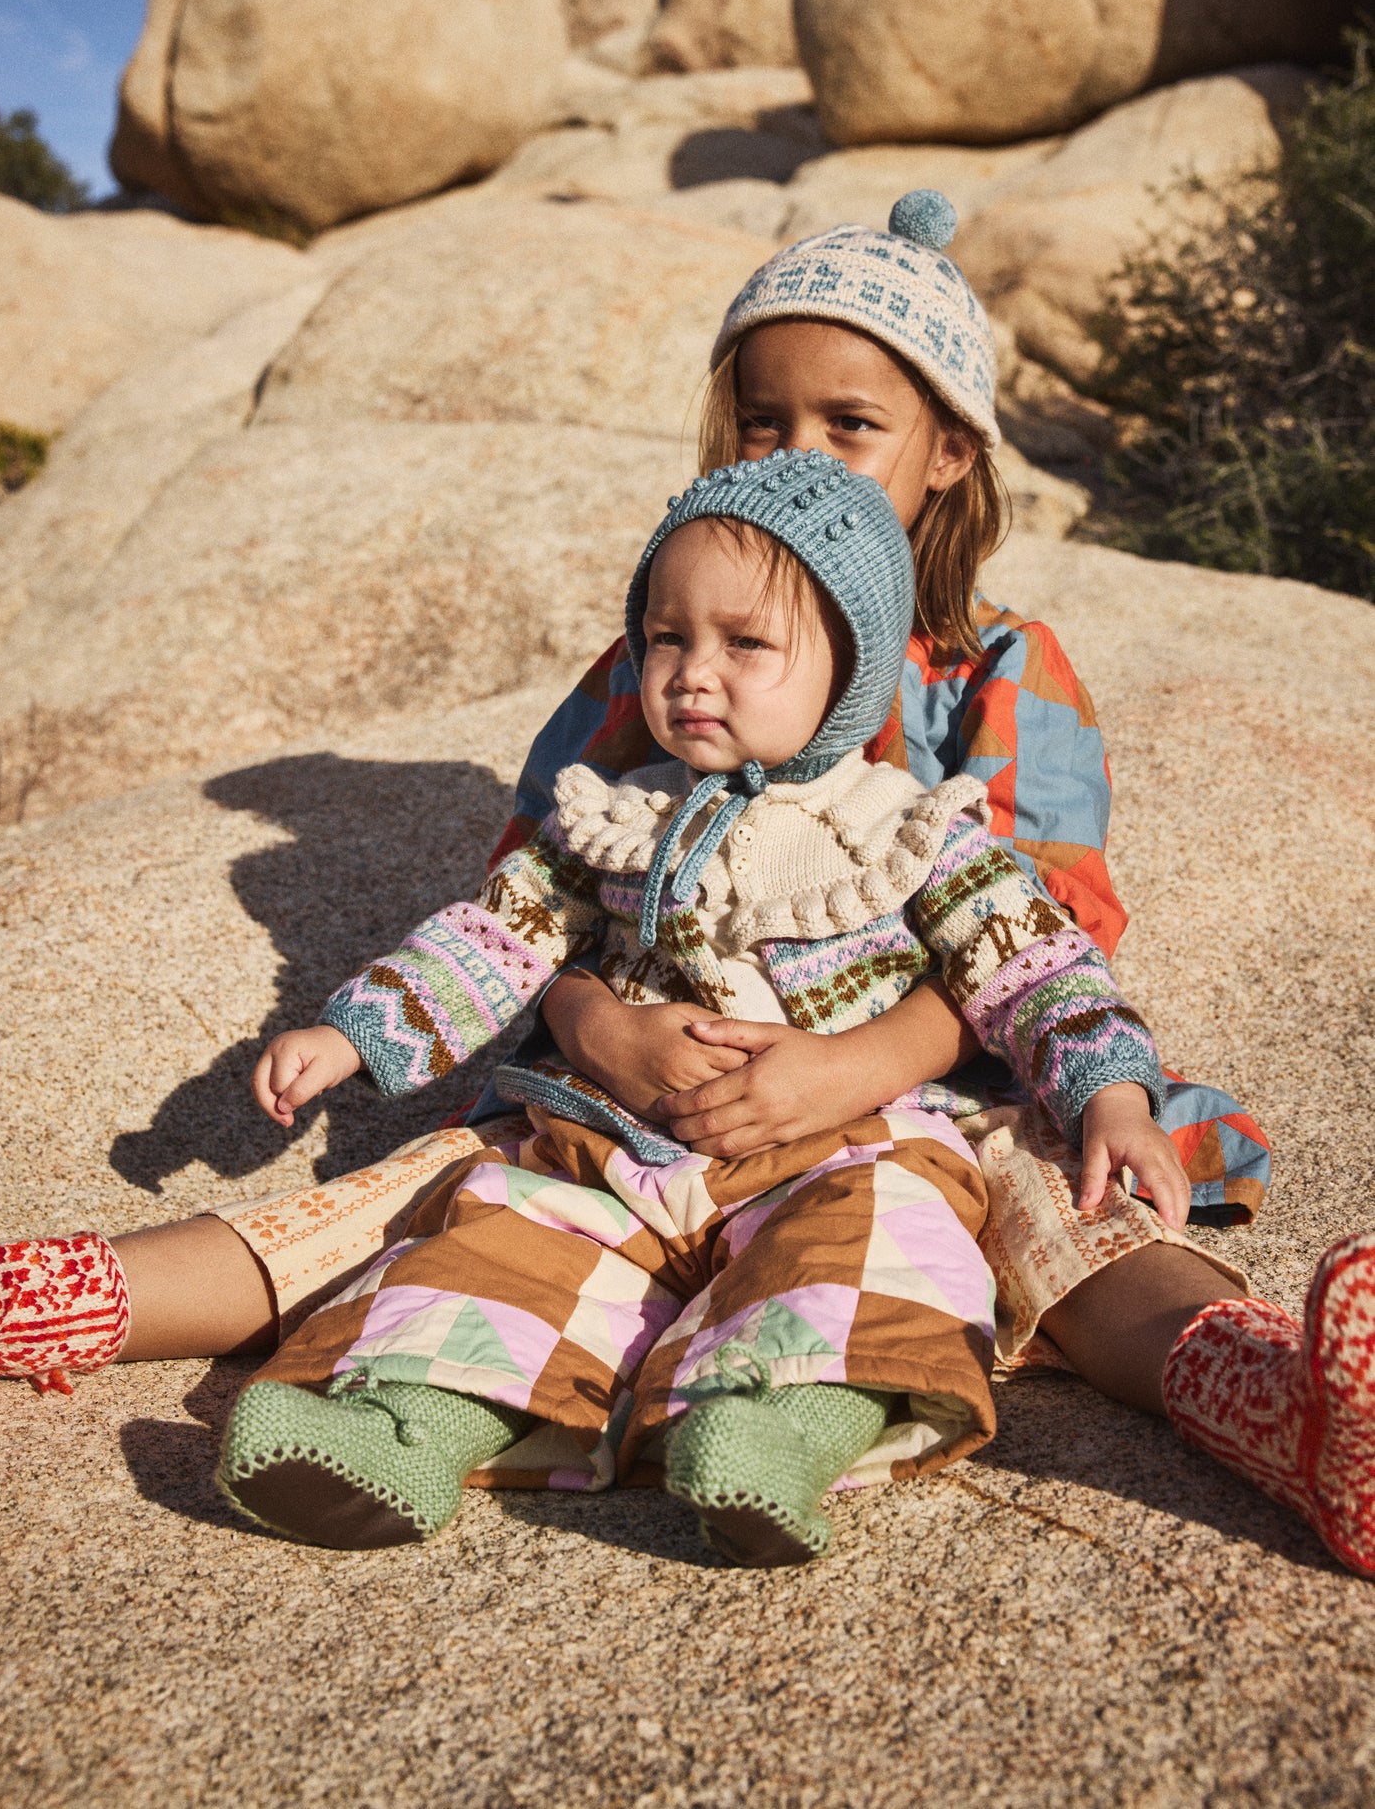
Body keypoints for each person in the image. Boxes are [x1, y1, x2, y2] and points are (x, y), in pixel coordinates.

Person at [0, 194, 1369, 1575]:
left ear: (946, 449)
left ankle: (1282, 1404)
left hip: (936, 1089)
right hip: (626, 1095)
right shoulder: (655, 667)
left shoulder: (1000, 672)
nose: (802, 447)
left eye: (853, 423)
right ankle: (28, 1295)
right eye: (765, 415)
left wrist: (857, 1063)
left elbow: (1046, 924)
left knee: (1075, 1226)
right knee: (416, 1202)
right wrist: (595, 1028)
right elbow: (527, 895)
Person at [216, 446, 1180, 1565]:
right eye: (666, 636)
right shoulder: (610, 823)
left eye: (744, 643)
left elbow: (1036, 967)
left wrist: (1111, 1094)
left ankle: (782, 1430)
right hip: (617, 1150)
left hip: (837, 1146)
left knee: (877, 1242)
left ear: (848, 665)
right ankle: (399, 1432)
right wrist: (351, 1031)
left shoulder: (905, 829)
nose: (690, 671)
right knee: (500, 1246)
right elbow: (491, 935)